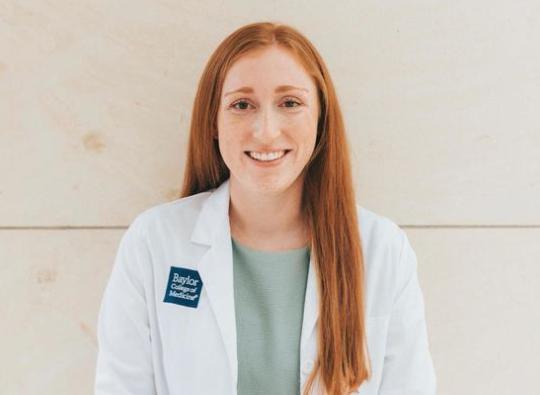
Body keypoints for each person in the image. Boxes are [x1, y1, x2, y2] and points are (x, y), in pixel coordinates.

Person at [95, 21, 437, 395]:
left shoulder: (382, 249)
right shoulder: (154, 242)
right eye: (242, 105)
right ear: (213, 120)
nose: (266, 131)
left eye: (290, 103)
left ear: (321, 119)